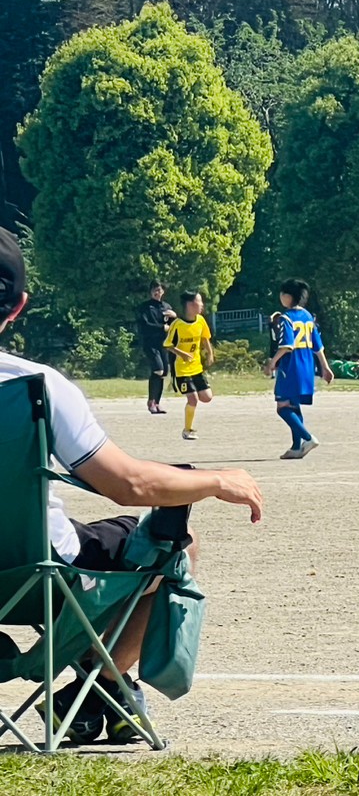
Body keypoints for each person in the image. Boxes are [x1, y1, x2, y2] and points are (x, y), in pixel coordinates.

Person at [0, 229, 263, 744]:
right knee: (172, 545)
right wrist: (210, 481)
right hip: (38, 578)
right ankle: (104, 686)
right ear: (19, 306)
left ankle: (102, 692)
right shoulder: (38, 387)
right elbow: (128, 483)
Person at [263, 279, 333, 460]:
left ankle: (308, 438)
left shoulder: (286, 318)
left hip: (290, 366)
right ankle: (296, 447)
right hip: (307, 366)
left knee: (282, 407)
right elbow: (318, 346)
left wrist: (272, 363)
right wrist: (325, 367)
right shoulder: (308, 317)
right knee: (293, 406)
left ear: (287, 296)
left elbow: (287, 345)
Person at [164, 292, 214, 441]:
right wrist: (182, 354)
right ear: (191, 305)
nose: (202, 305)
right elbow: (167, 344)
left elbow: (205, 338)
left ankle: (189, 420)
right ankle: (187, 430)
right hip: (182, 371)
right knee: (193, 399)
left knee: (207, 397)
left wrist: (210, 354)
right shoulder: (177, 325)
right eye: (200, 302)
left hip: (196, 368)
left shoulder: (200, 321)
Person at [135, 282, 175, 415]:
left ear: (163, 291)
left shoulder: (167, 307)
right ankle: (151, 401)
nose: (157, 292)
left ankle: (157, 403)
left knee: (163, 373)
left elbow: (173, 326)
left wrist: (174, 317)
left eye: (159, 290)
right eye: (154, 290)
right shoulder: (145, 307)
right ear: (150, 292)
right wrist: (161, 327)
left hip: (163, 343)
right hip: (149, 343)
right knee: (158, 369)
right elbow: (144, 325)